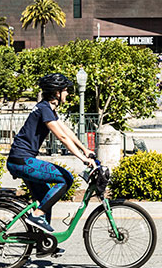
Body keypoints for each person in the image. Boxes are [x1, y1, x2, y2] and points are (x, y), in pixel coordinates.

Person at [6, 73, 96, 234]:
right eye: (65, 90)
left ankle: (43, 243)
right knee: (66, 178)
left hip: (21, 159)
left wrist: (85, 149)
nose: (67, 94)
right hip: (21, 160)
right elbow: (61, 137)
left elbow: (66, 130)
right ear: (56, 93)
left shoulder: (47, 109)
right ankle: (37, 216)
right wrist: (83, 159)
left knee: (45, 198)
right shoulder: (44, 109)